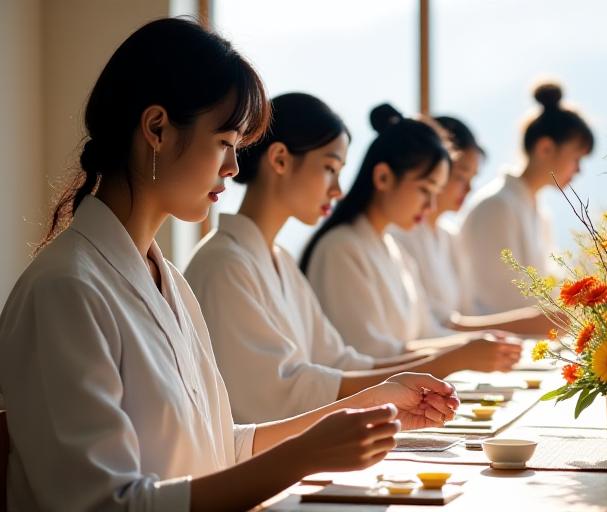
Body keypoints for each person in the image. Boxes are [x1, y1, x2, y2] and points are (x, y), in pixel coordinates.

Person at [0, 19, 458, 512]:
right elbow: (106, 506)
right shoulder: (66, 290)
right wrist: (301, 458)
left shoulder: (165, 280)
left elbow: (219, 449)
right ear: (156, 128)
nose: (234, 168)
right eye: (225, 142)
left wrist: (366, 403)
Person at [187, 93, 521, 422]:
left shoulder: (278, 259)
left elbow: (340, 361)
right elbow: (282, 394)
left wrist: (449, 360)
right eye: (330, 168)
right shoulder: (226, 265)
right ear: (280, 160)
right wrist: (448, 361)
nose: (337, 189)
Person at [300, 103, 522, 365]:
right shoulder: (340, 249)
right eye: (425, 190)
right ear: (383, 177)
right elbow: (365, 355)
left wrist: (483, 343)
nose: (430, 206)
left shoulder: (392, 248)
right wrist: (459, 355)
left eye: (435, 192)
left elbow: (425, 332)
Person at [392, 115, 559, 335]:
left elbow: (465, 314)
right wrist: (526, 322)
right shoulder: (400, 236)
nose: (469, 188)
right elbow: (431, 327)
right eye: (461, 177)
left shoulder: (448, 236)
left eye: (472, 178)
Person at [459, 83, 594, 314]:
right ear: (545, 148)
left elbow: (551, 283)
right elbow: (503, 301)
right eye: (576, 158)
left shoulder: (538, 212)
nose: (578, 170)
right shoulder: (496, 207)